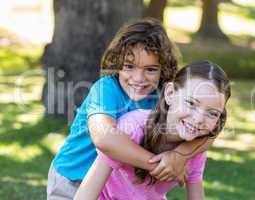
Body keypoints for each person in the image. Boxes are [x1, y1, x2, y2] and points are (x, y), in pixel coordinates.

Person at [47, 19, 214, 200]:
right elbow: (105, 138)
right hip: (73, 178)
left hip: (114, 186)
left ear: (163, 69)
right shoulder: (106, 90)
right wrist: (158, 165)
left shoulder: (163, 96)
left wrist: (179, 156)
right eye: (129, 66)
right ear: (117, 63)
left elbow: (208, 132)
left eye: (150, 69)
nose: (138, 78)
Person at [74, 60, 231, 200]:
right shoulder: (134, 128)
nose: (198, 119)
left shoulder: (195, 148)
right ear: (170, 93)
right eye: (191, 103)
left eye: (212, 113)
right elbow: (88, 190)